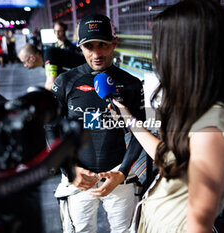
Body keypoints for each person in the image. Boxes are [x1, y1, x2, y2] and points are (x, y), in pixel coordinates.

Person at [111, 0, 224, 232]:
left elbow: (198, 226)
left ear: (187, 53)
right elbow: (166, 157)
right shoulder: (200, 113)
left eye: (161, 46)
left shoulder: (212, 131)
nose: (157, 56)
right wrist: (127, 117)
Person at [52, 13, 146, 232]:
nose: (96, 53)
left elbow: (140, 133)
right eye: (89, 46)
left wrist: (122, 172)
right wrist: (69, 169)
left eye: (102, 45)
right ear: (79, 46)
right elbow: (51, 128)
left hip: (120, 176)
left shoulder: (131, 84)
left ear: (114, 43)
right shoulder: (65, 82)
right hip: (78, 178)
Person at [18, 43, 85, 90]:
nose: (25, 65)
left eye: (24, 62)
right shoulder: (46, 59)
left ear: (32, 58)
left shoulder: (48, 55)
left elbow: (50, 84)